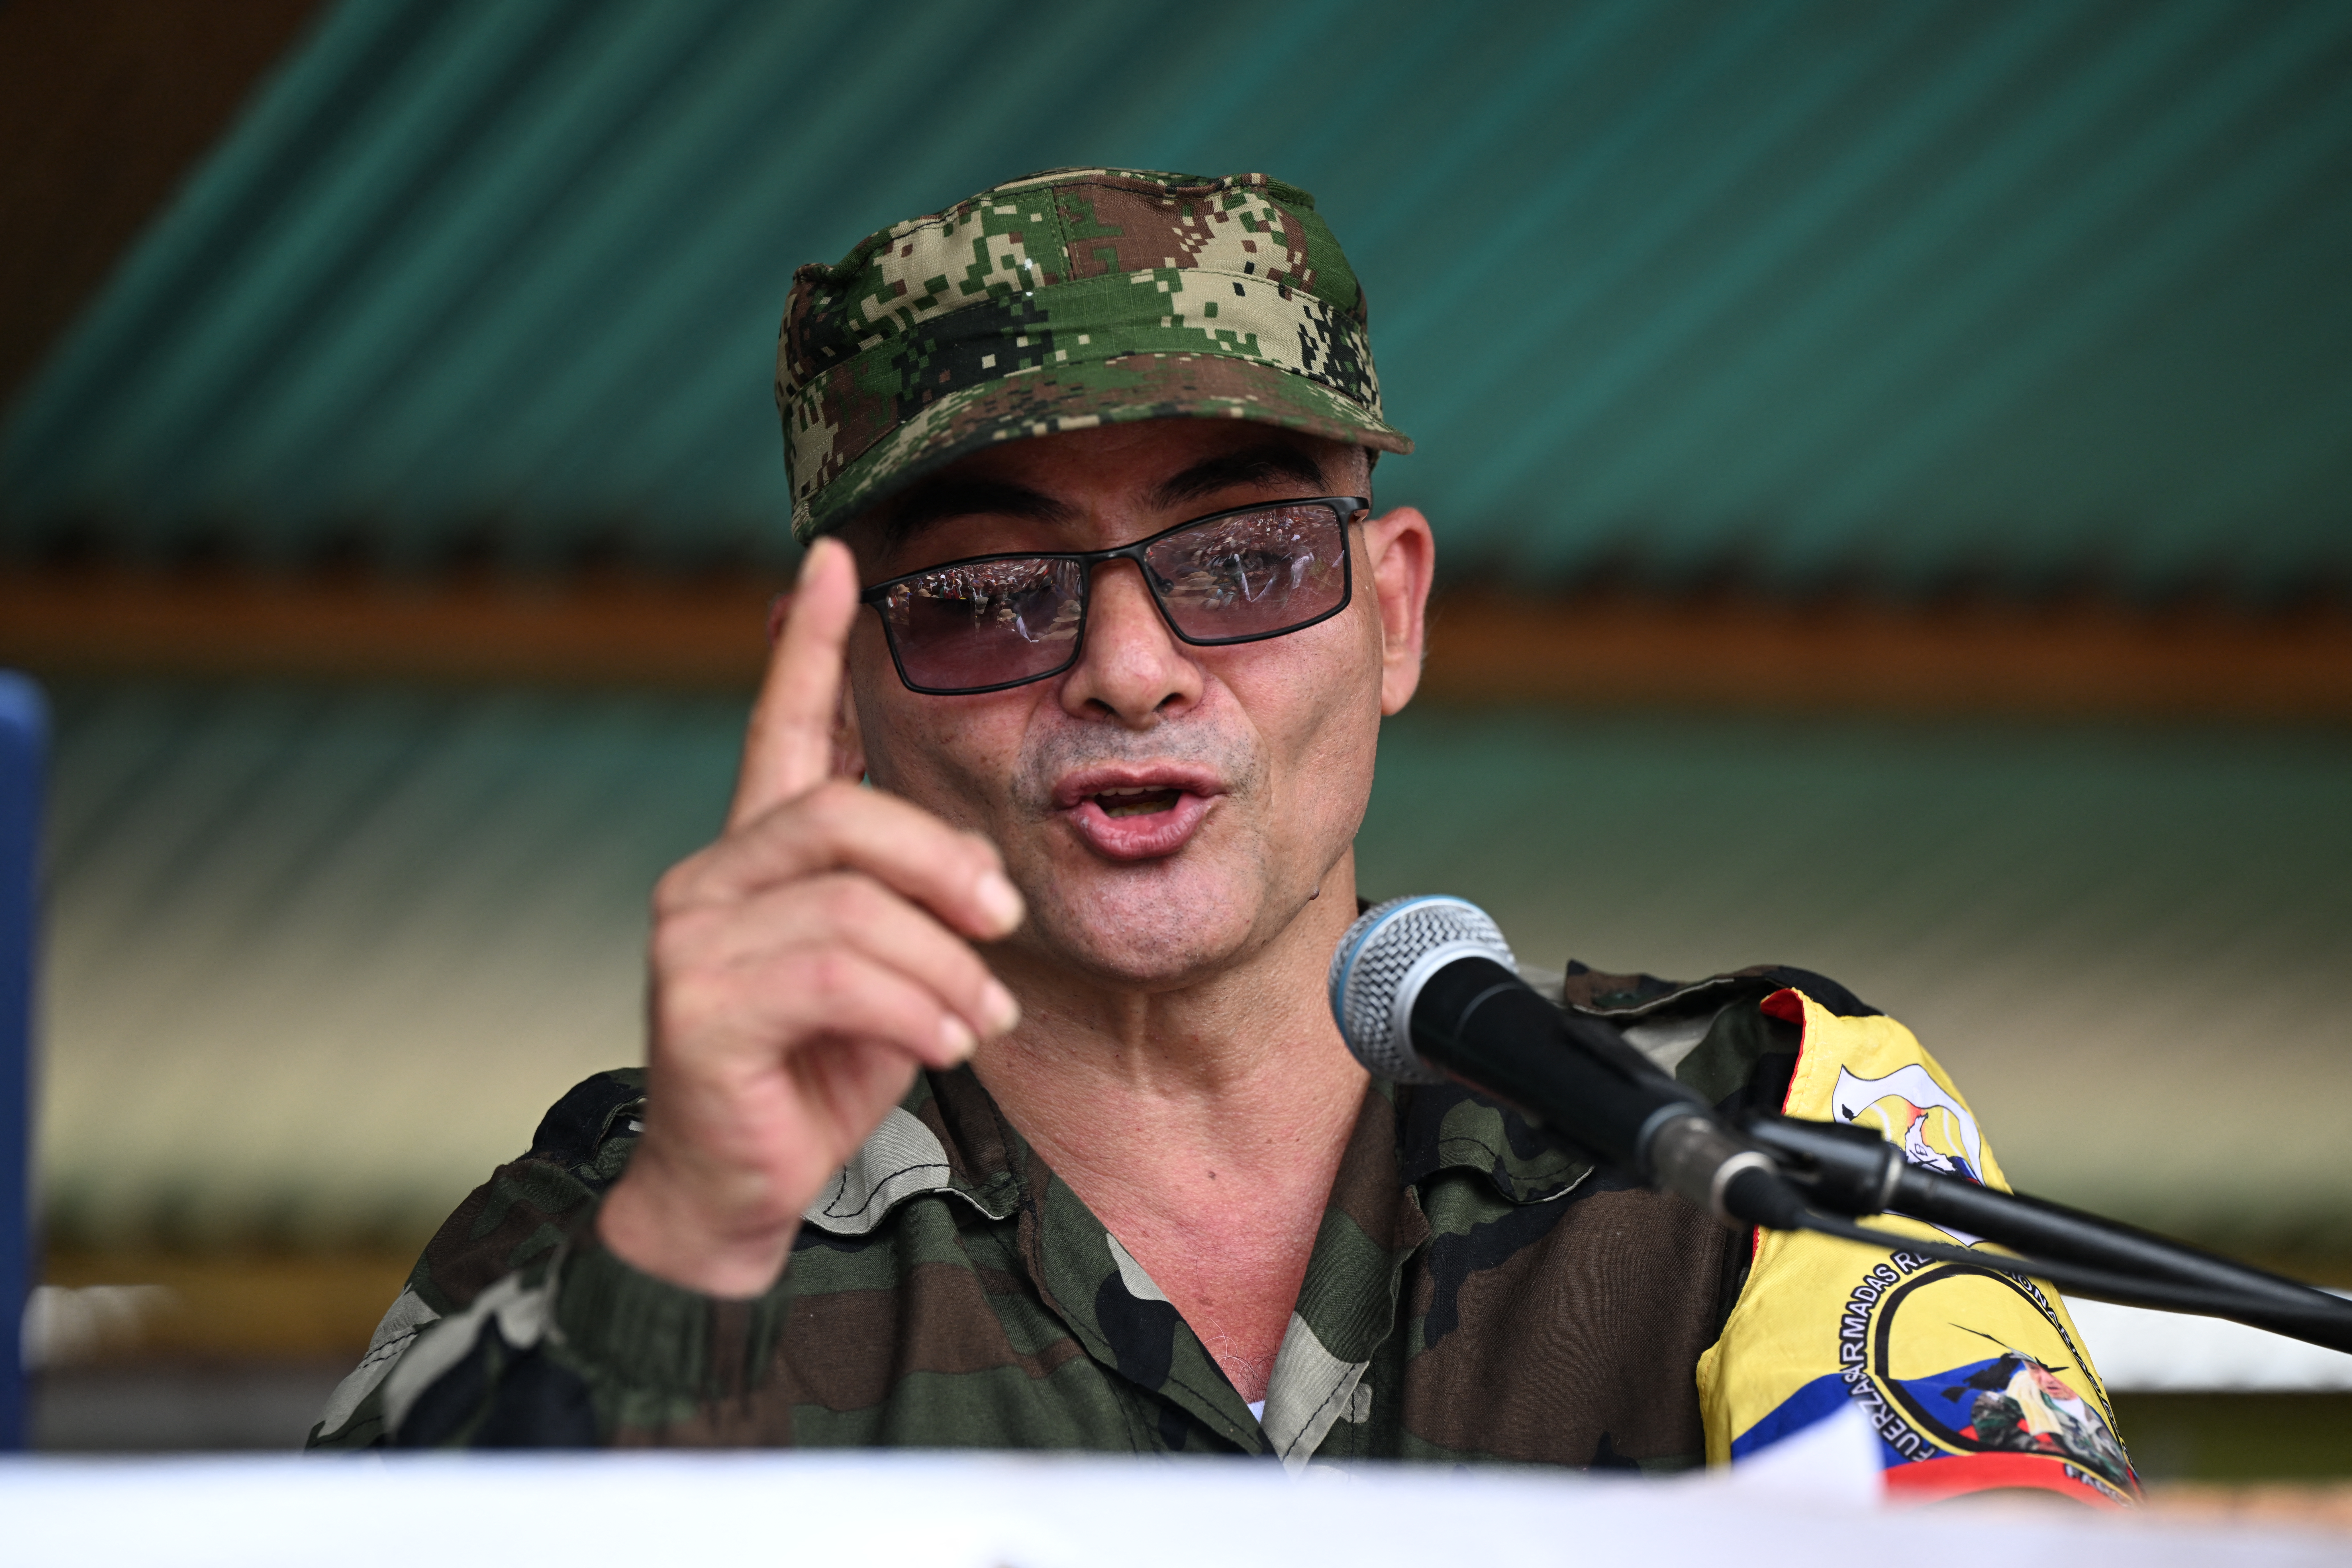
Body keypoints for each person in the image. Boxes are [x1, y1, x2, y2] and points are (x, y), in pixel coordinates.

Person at [308, 168, 2136, 1502]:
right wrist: (685, 1257)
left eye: (1246, 562)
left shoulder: (1753, 1127)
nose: (1126, 669)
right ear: (850, 683)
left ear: (1397, 612)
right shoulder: (635, 1217)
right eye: (988, 594)